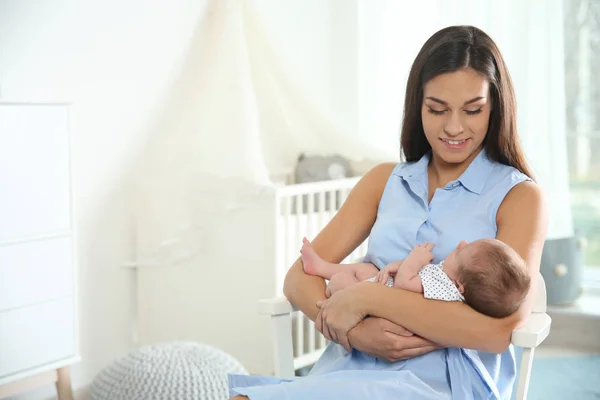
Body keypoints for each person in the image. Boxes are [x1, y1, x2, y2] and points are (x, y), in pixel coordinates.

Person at [229, 25, 548, 400]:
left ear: (494, 107)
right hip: (350, 363)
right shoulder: (384, 180)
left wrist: (367, 300)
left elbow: (497, 331)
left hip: (440, 380)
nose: (454, 127)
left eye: (473, 110)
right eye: (437, 109)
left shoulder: (520, 196)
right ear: (418, 105)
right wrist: (353, 331)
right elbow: (299, 279)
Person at [301, 236, 531, 319]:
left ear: (459, 286)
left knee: (342, 282)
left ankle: (331, 302)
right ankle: (320, 267)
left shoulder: (445, 289)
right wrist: (396, 265)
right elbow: (411, 277)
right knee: (364, 271)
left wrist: (415, 257)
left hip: (376, 308)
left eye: (461, 251)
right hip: (382, 289)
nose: (461, 244)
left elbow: (405, 283)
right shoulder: (449, 278)